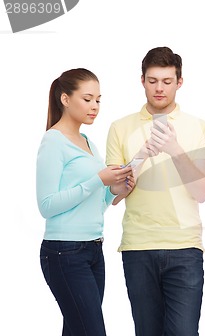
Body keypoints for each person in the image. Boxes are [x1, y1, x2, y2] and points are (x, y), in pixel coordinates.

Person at [105, 46, 205, 336]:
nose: (159, 88)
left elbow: (202, 192)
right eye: (152, 81)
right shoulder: (120, 127)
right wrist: (141, 156)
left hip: (185, 247)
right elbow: (115, 192)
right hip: (139, 246)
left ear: (180, 82)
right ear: (142, 80)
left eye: (167, 81)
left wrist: (175, 149)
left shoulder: (199, 127)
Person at [36, 68, 133, 336]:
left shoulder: (87, 141)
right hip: (63, 252)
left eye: (98, 100)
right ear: (65, 99)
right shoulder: (53, 141)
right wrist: (97, 180)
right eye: (88, 99)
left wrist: (116, 190)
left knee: (78, 330)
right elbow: (46, 205)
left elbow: (94, 203)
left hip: (93, 249)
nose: (95, 106)